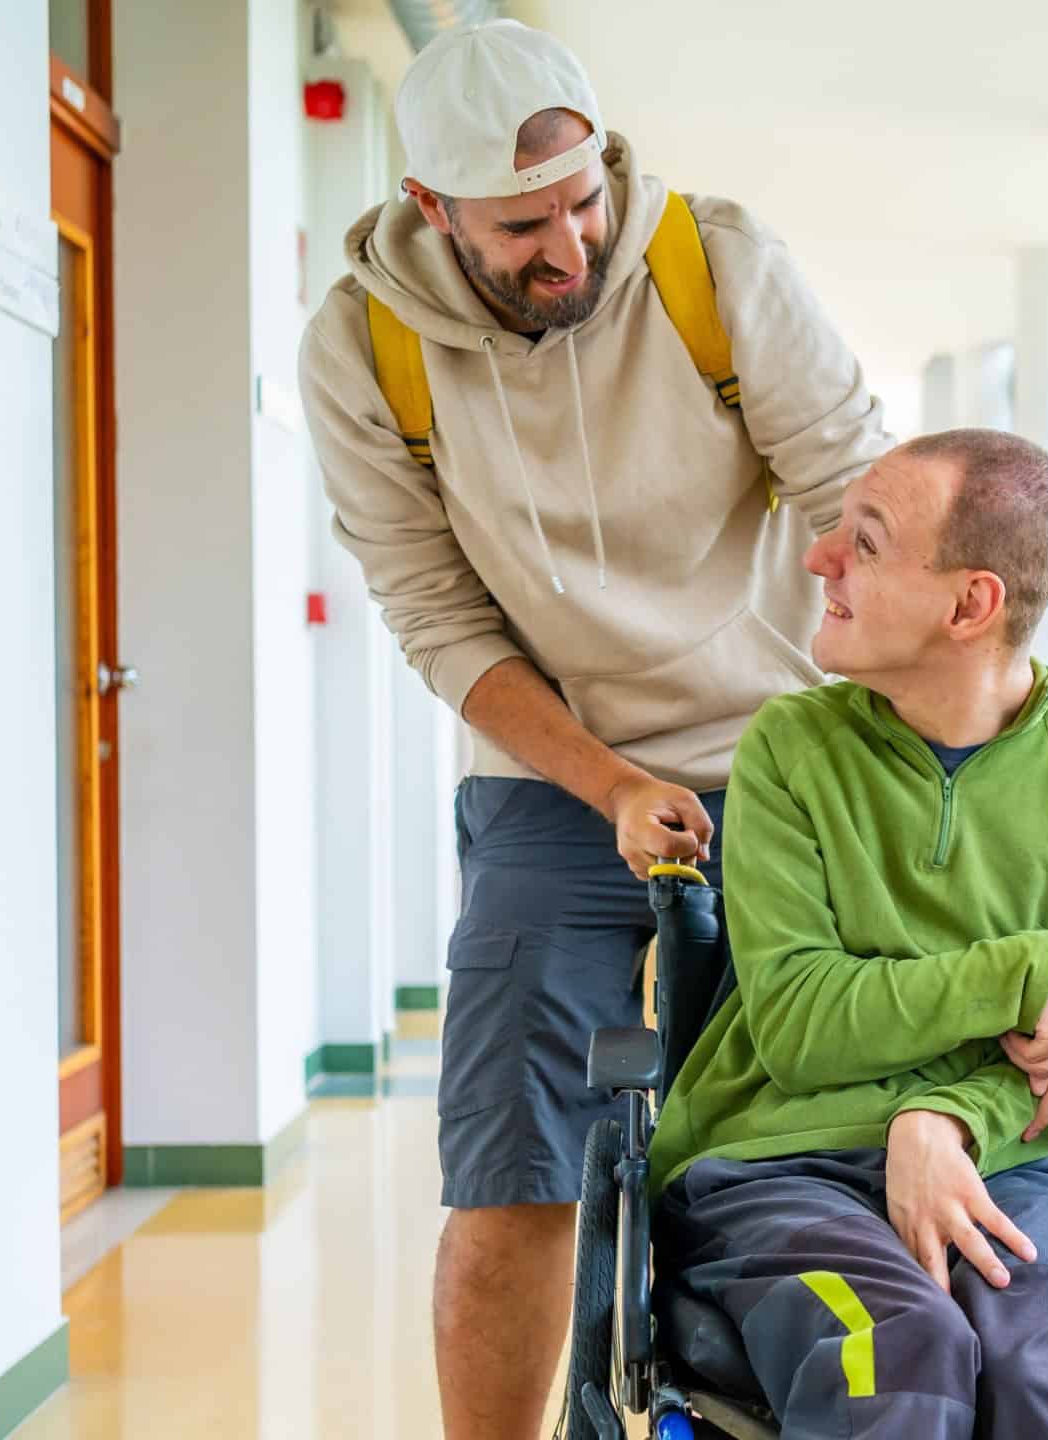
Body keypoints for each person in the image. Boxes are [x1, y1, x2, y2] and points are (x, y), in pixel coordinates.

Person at [295, 19, 890, 1437]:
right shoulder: (365, 348)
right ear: (431, 212)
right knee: (510, 1174)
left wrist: (905, 746)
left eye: (583, 200)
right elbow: (438, 617)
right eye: (521, 225)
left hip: (781, 761)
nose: (568, 243)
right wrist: (611, 781)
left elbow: (861, 501)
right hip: (549, 778)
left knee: (809, 1138)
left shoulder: (715, 267)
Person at [648, 429, 1048, 1439]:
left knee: (1045, 1381)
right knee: (894, 1350)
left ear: (969, 604)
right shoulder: (793, 749)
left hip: (1003, 1164)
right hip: (776, 1165)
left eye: (866, 544)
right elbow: (798, 1025)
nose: (819, 559)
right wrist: (1019, 970)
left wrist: (939, 1123)